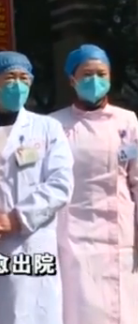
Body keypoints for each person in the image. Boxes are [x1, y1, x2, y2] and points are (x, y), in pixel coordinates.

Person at [0, 51, 74, 324]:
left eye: (24, 78)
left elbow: (60, 183)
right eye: (10, 77)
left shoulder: (48, 128)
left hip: (31, 240)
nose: (18, 85)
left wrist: (18, 218)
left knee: (31, 313)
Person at [50, 44, 138, 324]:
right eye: (87, 74)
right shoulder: (54, 125)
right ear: (71, 79)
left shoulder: (127, 121)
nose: (95, 80)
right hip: (71, 234)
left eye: (102, 73)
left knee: (122, 307)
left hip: (119, 231)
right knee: (78, 306)